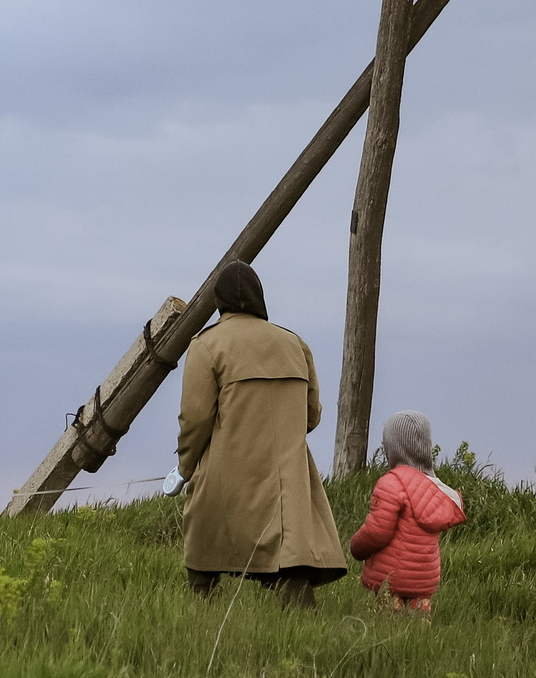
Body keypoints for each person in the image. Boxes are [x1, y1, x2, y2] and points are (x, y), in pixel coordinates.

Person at [174, 259, 348, 608]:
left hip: (227, 471)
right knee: (290, 554)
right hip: (285, 475)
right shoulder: (294, 344)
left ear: (218, 302)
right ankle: (299, 616)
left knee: (204, 547)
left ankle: (202, 607)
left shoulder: (206, 345)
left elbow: (195, 420)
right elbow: (311, 416)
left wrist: (186, 467)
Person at [346, 410, 465, 614]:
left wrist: (356, 547)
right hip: (424, 581)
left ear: (393, 448)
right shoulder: (437, 490)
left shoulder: (391, 483)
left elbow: (377, 531)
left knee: (388, 631)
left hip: (390, 580)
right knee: (417, 636)